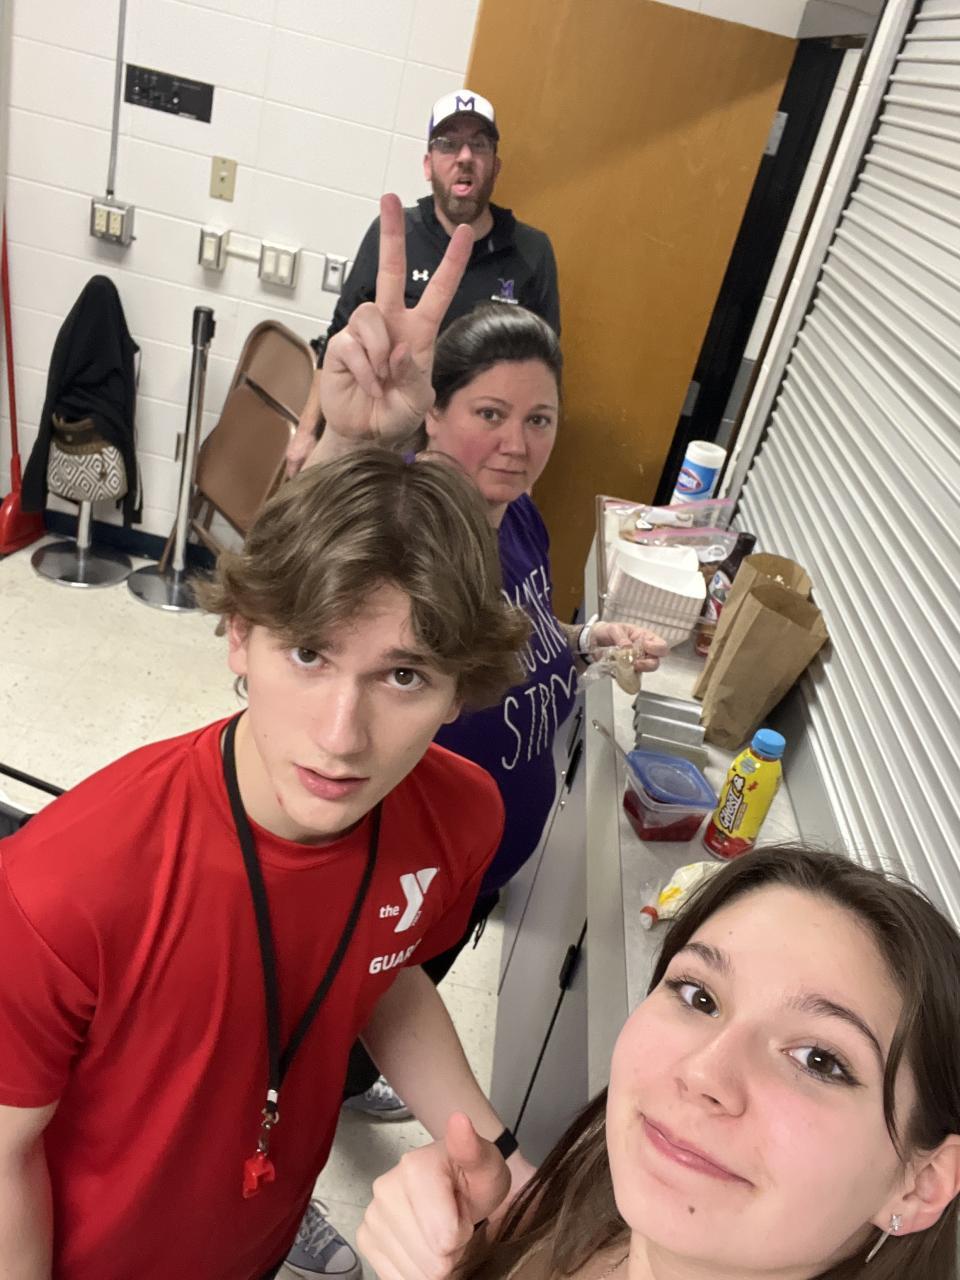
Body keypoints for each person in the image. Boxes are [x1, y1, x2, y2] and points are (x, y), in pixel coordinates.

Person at [0, 446, 539, 1280]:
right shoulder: (62, 887)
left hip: (262, 1238)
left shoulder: (458, 816)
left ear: (458, 691)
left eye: (402, 675)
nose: (340, 736)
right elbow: (5, 1153)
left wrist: (506, 1166)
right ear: (241, 636)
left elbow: (383, 973)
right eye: (310, 655)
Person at [283, 191, 667, 1277]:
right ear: (433, 413)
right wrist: (349, 441)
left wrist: (582, 642)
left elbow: (517, 643)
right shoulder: (408, 535)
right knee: (305, 1033)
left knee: (387, 1004)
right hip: (380, 863)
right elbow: (304, 593)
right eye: (489, 413)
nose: (518, 443)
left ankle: (350, 1081)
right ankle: (283, 1169)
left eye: (539, 418)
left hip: (462, 872)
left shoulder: (524, 518)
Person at [358, 845, 960, 1280]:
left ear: (921, 1183)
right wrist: (480, 1243)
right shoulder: (592, 1204)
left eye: (819, 1059)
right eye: (700, 997)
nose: (702, 1074)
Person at [286, 89, 561, 478]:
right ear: (428, 165)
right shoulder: (395, 237)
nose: (464, 157)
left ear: (495, 166)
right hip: (382, 437)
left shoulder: (531, 251)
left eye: (479, 144)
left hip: (474, 459)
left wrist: (522, 475)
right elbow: (337, 337)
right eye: (448, 144)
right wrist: (307, 432)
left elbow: (542, 372)